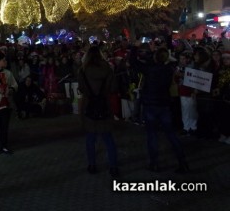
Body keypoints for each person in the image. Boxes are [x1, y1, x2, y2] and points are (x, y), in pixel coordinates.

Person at [131, 43, 188, 173]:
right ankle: (182, 161)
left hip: (151, 105)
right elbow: (170, 60)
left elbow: (133, 62)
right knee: (171, 134)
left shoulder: (149, 69)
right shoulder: (169, 69)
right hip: (164, 104)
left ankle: (154, 163)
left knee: (152, 135)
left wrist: (134, 47)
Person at [78, 46, 119, 177]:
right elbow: (113, 88)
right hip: (104, 105)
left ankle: (92, 165)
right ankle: (113, 167)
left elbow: (81, 88)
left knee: (90, 137)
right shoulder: (107, 69)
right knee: (108, 138)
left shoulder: (83, 70)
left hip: (89, 105)